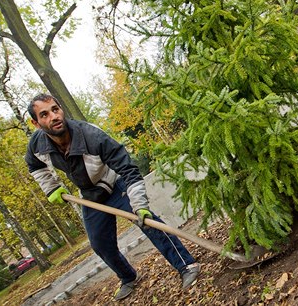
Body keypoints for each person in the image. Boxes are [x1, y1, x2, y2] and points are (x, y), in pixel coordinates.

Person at [24, 93, 199, 301]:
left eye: (55, 109)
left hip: (116, 183)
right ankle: (128, 277)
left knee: (148, 222)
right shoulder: (37, 144)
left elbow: (128, 169)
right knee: (100, 243)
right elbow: (34, 165)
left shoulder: (90, 136)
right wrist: (51, 188)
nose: (53, 116)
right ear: (36, 123)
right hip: (89, 196)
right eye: (44, 114)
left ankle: (186, 265)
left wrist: (139, 205)